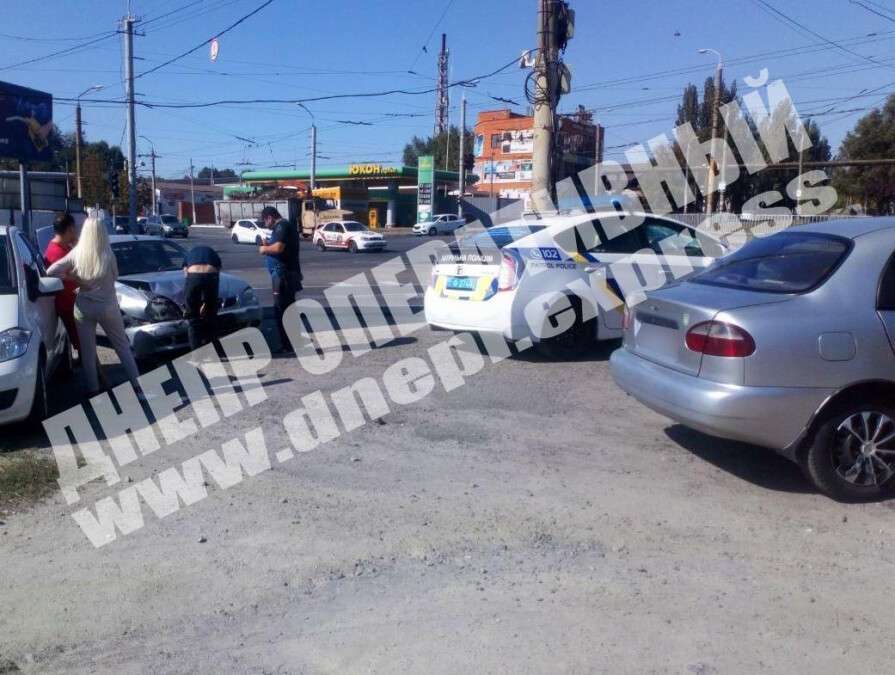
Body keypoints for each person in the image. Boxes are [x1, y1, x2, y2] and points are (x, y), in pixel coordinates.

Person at [46, 217, 141, 396]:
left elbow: (51, 271)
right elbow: (115, 276)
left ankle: (94, 392)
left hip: (83, 307)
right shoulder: (108, 254)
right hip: (107, 306)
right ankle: (138, 388)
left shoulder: (77, 253)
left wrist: (74, 278)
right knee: (122, 346)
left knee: (88, 352)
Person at [258, 206, 302, 353]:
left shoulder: (281, 226)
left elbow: (278, 248)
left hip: (283, 275)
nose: (265, 225)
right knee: (287, 309)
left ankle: (287, 345)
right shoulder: (283, 227)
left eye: (265, 221)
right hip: (285, 274)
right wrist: (267, 245)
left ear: (270, 217)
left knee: (282, 310)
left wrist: (264, 249)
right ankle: (292, 343)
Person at [43, 212, 80, 356]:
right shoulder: (56, 253)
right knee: (82, 344)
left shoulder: (65, 248)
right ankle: (92, 375)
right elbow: (77, 275)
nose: (76, 231)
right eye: (74, 229)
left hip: (73, 304)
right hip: (68, 307)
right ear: (70, 229)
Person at [183, 244, 222, 350]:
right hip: (211, 274)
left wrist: (190, 302)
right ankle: (214, 349)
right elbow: (217, 273)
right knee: (211, 316)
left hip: (193, 275)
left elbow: (186, 273)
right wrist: (207, 302)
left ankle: (196, 354)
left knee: (193, 319)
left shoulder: (189, 254)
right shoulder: (213, 254)